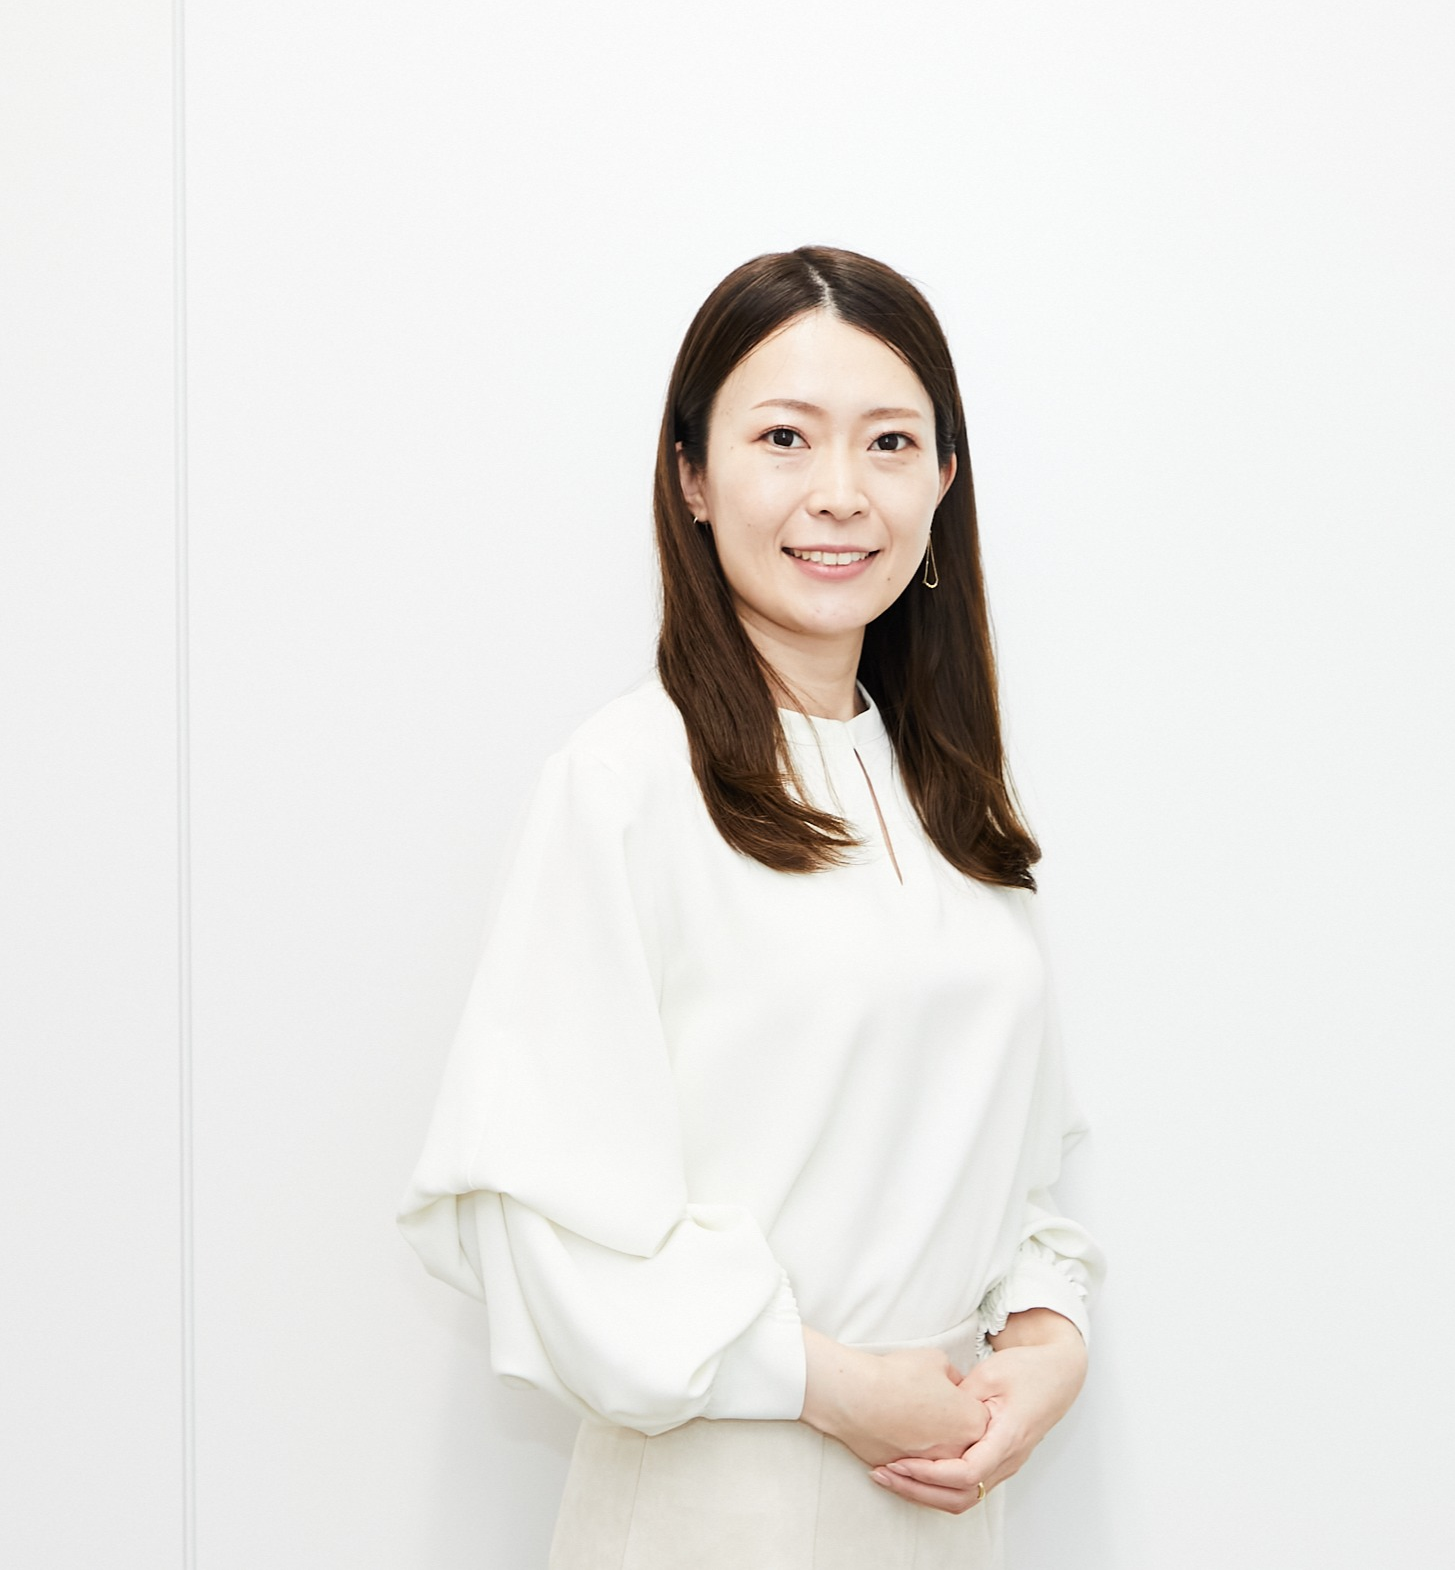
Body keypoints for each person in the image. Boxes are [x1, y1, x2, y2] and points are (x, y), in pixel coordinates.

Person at [395, 245, 1106, 1569]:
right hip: (717, 1507)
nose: (840, 491)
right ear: (692, 475)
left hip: (943, 1505)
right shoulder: (624, 783)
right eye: (784, 437)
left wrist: (1048, 1332)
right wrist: (830, 1382)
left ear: (944, 479)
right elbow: (541, 1220)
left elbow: (1006, 1171)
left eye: (889, 441)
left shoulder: (949, 798)